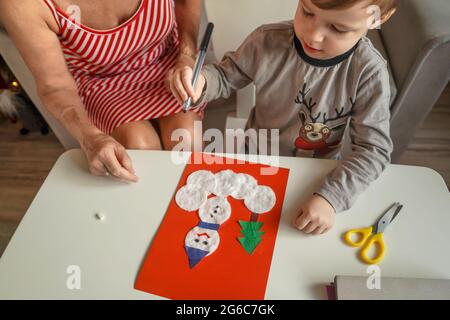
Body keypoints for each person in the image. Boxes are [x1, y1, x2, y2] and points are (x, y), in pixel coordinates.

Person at [168, 0, 398, 235]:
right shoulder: (267, 40)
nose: (314, 35)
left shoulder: (369, 72)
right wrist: (201, 81)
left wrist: (332, 198)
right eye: (307, 12)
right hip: (253, 158)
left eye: (338, 29)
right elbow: (226, 76)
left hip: (315, 177)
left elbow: (373, 150)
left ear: (378, 18)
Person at [0, 0, 204, 182]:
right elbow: (56, 86)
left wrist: (187, 55)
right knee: (139, 145)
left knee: (185, 136)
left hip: (163, 60)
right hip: (101, 81)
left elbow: (186, 3)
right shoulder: (22, 4)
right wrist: (91, 138)